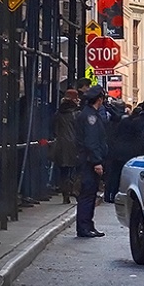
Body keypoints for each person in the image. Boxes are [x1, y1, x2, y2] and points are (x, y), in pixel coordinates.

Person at [74, 86, 108, 238]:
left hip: (88, 160)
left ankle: (88, 225)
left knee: (90, 194)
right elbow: (91, 141)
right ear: (99, 99)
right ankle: (84, 226)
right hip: (89, 161)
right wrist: (97, 162)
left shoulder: (90, 114)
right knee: (87, 195)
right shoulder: (90, 117)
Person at [50, 89, 81, 204]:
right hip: (74, 144)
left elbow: (53, 127)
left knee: (63, 171)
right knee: (75, 170)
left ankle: (65, 194)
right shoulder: (76, 113)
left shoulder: (59, 112)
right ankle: (74, 190)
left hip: (61, 144)